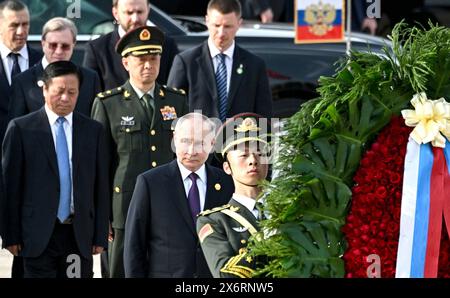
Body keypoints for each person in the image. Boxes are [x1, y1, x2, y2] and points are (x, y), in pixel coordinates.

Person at [91, 25, 188, 278]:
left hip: (168, 203)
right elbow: (99, 164)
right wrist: (102, 215)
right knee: (122, 270)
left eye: (153, 58)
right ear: (125, 62)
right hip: (125, 206)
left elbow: (186, 155)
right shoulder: (108, 103)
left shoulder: (176, 100)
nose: (148, 65)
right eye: (141, 59)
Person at [2, 61, 110, 278]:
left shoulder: (92, 131)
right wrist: (10, 235)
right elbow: (9, 187)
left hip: (77, 235)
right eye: (59, 91)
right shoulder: (22, 129)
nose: (65, 98)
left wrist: (99, 235)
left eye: (72, 92)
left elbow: (100, 185)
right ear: (44, 89)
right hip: (36, 234)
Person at [124, 112, 234, 277]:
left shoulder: (226, 182)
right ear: (174, 140)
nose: (191, 151)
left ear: (212, 144)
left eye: (199, 143)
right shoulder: (150, 183)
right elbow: (134, 245)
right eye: (185, 142)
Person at [167, 0, 272, 122]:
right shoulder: (186, 62)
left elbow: (265, 118)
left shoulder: (254, 65)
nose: (221, 33)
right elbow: (170, 111)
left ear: (239, 24)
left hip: (240, 139)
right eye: (216, 25)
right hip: (198, 139)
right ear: (207, 21)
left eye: (228, 26)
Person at [197, 113, 270, 278]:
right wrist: (271, 242)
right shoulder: (214, 220)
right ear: (227, 167)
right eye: (244, 155)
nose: (253, 160)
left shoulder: (290, 210)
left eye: (260, 153)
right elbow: (225, 274)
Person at [0, 0, 42, 278]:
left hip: (30, 173)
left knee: (24, 248)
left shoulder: (43, 62)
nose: (21, 31)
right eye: (14, 25)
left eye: (25, 24)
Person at [8, 17, 100, 120]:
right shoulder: (23, 82)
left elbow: (96, 124)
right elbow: (16, 128)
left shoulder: (90, 79)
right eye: (53, 45)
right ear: (43, 43)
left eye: (65, 46)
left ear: (73, 44)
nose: (59, 51)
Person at [83, 0, 179, 90]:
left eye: (140, 12)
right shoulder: (97, 49)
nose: (135, 19)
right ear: (115, 13)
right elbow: (91, 96)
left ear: (148, 10)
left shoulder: (166, 45)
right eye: (129, 13)